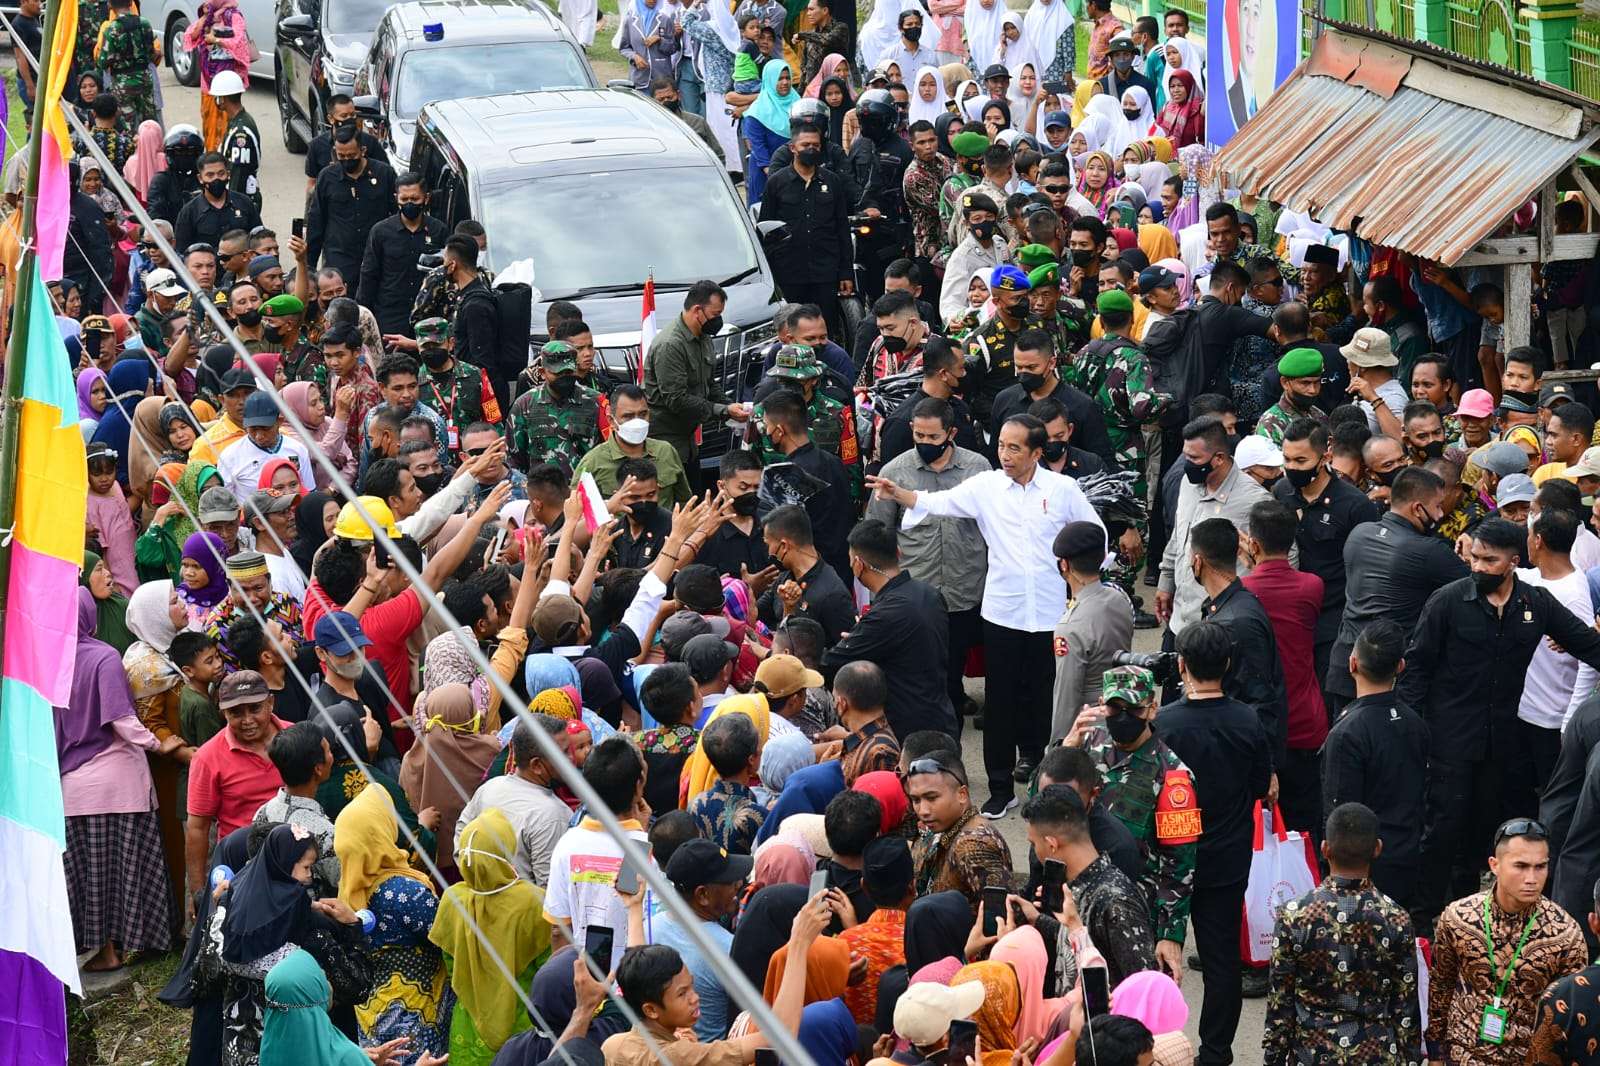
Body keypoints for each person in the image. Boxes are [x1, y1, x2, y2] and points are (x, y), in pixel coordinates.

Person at [868, 415, 1104, 815]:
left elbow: (1094, 535)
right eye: (1001, 446)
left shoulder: (1063, 489)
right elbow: (938, 502)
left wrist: (1086, 586)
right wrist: (899, 493)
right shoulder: (987, 486)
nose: (1005, 455)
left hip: (1051, 614)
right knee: (1000, 702)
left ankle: (1042, 775)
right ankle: (1000, 787)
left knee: (1045, 699)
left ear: (1036, 452)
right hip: (1002, 613)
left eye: (1014, 448)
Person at [1401, 517, 1600, 923]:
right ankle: (1424, 921)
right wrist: (1410, 732)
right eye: (1474, 557)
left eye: (1488, 560)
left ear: (1513, 562)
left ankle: (1469, 915)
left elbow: (1587, 645)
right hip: (1449, 739)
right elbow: (1416, 669)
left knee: (1483, 831)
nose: (1478, 566)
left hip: (1502, 743)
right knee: (1442, 830)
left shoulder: (1535, 604)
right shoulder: (1447, 602)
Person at [1156, 621, 1272, 1065]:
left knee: (1158, 950)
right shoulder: (1247, 720)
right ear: (1227, 664)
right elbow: (1260, 785)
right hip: (1226, 858)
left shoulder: (1165, 723)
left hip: (1169, 860)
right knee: (1222, 961)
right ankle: (1215, 1052)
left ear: (1182, 665)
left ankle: (1155, 1044)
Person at [58, 587, 174, 973]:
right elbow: (122, 720)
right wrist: (158, 743)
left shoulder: (50, 662)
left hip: (72, 786)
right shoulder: (104, 657)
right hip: (117, 782)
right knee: (125, 870)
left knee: (91, 877)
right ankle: (133, 944)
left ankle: (102, 949)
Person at [1262, 802, 1421, 1065]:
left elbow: (1280, 1002)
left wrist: (1273, 1058)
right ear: (1377, 849)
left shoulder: (1294, 915)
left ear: (1325, 849)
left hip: (1311, 1055)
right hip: (1376, 1054)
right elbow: (1405, 1007)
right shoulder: (1397, 919)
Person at [605, 889, 830, 1066]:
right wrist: (799, 944)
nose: (695, 998)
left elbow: (637, 975)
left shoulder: (614, 1046)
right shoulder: (678, 1056)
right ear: (651, 1010)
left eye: (691, 987)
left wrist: (634, 908)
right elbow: (778, 1039)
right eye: (682, 994)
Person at [1427, 819, 1587, 1065]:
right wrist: (1435, 1054)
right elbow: (1441, 987)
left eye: (1540, 866)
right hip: (1462, 1054)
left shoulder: (1565, 935)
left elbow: (1570, 1017)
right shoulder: (1459, 918)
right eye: (1521, 866)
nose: (1532, 878)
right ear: (1495, 865)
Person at [865, 396, 987, 717]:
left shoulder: (978, 469)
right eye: (919, 435)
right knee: (919, 668)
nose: (926, 442)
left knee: (955, 661)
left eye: (933, 437)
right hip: (917, 591)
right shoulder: (895, 472)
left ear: (951, 433)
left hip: (964, 588)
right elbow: (876, 533)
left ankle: (954, 704)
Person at [1324, 465, 1465, 715]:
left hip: (1347, 664)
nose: (1441, 514)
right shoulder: (1428, 552)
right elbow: (1476, 585)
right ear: (1417, 508)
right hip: (1390, 675)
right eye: (1437, 506)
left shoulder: (1358, 534)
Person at [1320, 619, 1428, 912]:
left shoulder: (1347, 732)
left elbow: (1340, 812)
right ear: (1401, 666)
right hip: (1407, 856)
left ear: (1352, 663)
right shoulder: (1415, 723)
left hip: (1361, 869)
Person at [431, 807, 554, 1063]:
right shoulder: (534, 901)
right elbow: (548, 968)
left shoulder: (453, 899)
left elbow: (450, 963)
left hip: (468, 1020)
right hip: (521, 1021)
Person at [1272, 417, 1378, 705]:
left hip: (1333, 620)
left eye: (1301, 460)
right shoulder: (1282, 492)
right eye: (1287, 459)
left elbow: (1368, 571)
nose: (1292, 468)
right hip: (1291, 618)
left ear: (1325, 457)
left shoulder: (1355, 506)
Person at [822, 519, 956, 738]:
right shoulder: (931, 595)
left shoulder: (884, 615)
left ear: (858, 564)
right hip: (942, 717)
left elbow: (831, 662)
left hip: (906, 732)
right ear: (898, 552)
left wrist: (860, 636)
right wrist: (865, 633)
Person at [1023, 783, 1157, 987]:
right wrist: (1038, 921)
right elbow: (1089, 943)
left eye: (1034, 844)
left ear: (1052, 844)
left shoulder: (1115, 902)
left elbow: (1145, 990)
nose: (1035, 851)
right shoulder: (1078, 888)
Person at [1156, 414, 1271, 641]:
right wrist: (1166, 582)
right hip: (1179, 622)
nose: (1187, 464)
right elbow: (1179, 536)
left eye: (1194, 458)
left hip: (1219, 631)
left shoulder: (1254, 501)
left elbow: (1280, 561)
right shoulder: (1188, 483)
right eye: (1185, 456)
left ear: (1218, 458)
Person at [183, 670, 287, 918]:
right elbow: (197, 829)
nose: (247, 720)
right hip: (241, 869)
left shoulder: (295, 738)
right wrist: (198, 893)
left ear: (270, 702)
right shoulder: (207, 757)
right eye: (236, 712)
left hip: (295, 861)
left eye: (255, 708)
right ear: (224, 713)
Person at [643, 281, 752, 482]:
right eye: (715, 314)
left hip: (688, 438)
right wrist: (723, 411)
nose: (718, 321)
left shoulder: (702, 337)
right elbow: (676, 400)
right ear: (697, 310)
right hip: (665, 442)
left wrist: (731, 407)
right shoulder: (671, 345)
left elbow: (709, 384)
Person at [649, 837, 753, 1041]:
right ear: (703, 895)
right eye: (729, 881)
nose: (739, 884)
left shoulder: (649, 927)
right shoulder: (728, 949)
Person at [453, 714, 572, 886]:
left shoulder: (490, 788)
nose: (571, 758)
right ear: (537, 765)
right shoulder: (554, 815)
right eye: (564, 753)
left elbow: (461, 838)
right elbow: (549, 889)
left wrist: (480, 882)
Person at [760, 124, 854, 333]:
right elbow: (766, 231)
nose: (811, 149)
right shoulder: (776, 183)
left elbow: (842, 229)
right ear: (793, 148)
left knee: (824, 330)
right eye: (805, 145)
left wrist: (846, 272)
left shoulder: (832, 181)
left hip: (825, 272)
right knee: (792, 331)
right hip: (789, 274)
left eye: (815, 145)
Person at [1049, 520, 1134, 742]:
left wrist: (1059, 745)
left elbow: (1067, 695)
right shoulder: (1119, 598)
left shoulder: (1070, 626)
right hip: (1125, 710)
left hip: (1089, 725)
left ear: (1064, 565)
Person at [904, 748, 1013, 906]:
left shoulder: (973, 847)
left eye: (932, 798)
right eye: (916, 800)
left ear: (962, 794)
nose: (923, 811)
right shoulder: (941, 825)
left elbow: (1004, 914)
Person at [307, 126, 398, 288]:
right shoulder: (327, 177)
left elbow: (397, 215)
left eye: (351, 155)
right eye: (341, 156)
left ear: (362, 150)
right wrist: (309, 268)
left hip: (377, 256)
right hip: (340, 258)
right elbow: (316, 222)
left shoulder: (384, 174)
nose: (346, 160)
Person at [358, 173, 447, 338]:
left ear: (426, 198)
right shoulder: (381, 232)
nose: (409, 203)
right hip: (390, 316)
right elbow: (369, 274)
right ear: (396, 198)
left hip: (428, 316)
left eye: (415, 198)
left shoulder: (438, 230)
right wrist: (363, 314)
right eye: (404, 199)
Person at [173, 152, 260, 251]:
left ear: (228, 174)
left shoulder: (244, 203)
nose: (216, 179)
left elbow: (259, 239)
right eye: (210, 175)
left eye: (221, 174)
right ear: (200, 178)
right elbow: (182, 251)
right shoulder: (189, 212)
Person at [95, 0, 161, 125]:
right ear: (131, 3)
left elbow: (103, 62)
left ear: (110, 5)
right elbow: (152, 52)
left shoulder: (111, 29)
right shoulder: (144, 23)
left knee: (127, 124)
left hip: (122, 83)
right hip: (145, 78)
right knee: (149, 122)